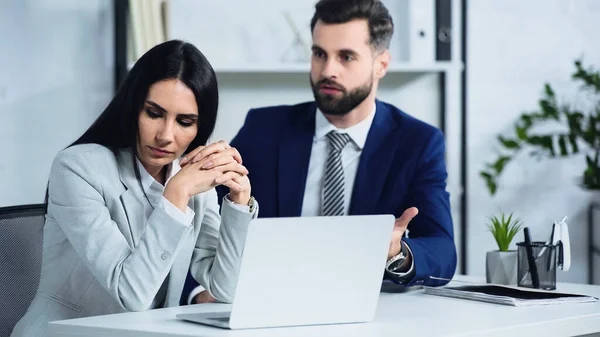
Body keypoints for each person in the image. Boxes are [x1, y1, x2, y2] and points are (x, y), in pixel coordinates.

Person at [182, 0, 456, 304]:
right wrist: (197, 293)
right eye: (319, 54)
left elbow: (443, 250)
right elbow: (201, 226)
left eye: (346, 57)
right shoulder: (265, 129)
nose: (327, 70)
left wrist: (398, 253)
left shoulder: (417, 143)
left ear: (381, 64)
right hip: (267, 308)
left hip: (366, 313)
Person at [11, 40, 258, 337]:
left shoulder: (193, 182)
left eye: (184, 121)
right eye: (153, 113)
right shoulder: (77, 168)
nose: (166, 135)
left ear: (199, 127)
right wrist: (176, 194)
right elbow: (132, 294)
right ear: (133, 107)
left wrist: (238, 202)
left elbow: (227, 289)